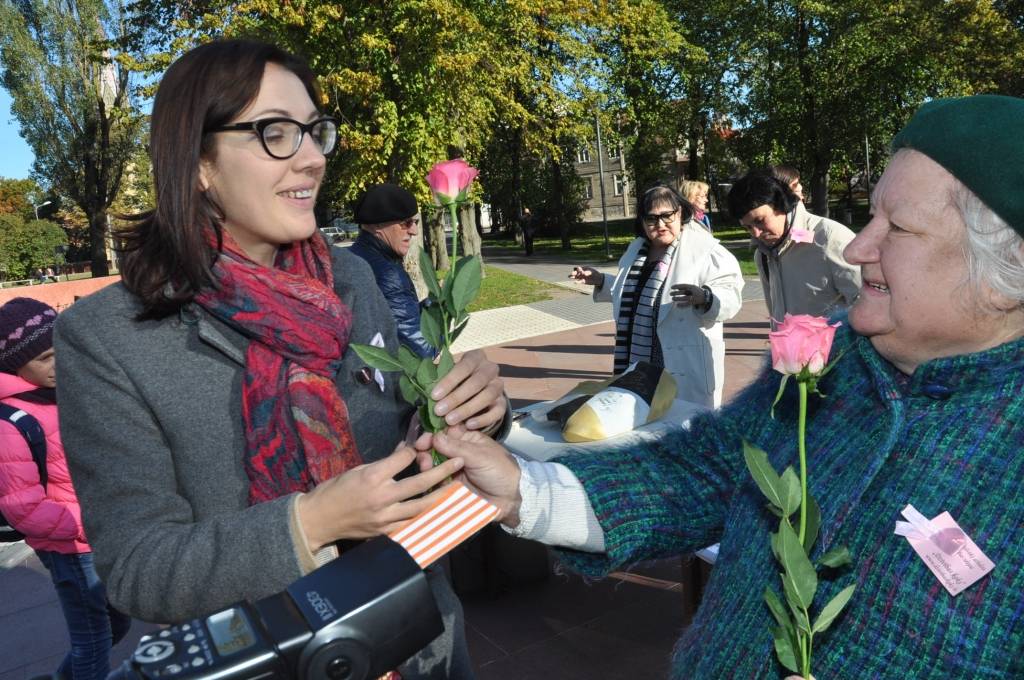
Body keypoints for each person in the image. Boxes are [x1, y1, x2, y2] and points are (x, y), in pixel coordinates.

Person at [426, 94, 1024, 678]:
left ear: (1006, 272)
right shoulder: (835, 354)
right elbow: (712, 467)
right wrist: (526, 492)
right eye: (872, 215)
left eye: (900, 228)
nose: (862, 244)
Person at [54, 40, 509, 680]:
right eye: (275, 133)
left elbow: (415, 431)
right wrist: (312, 521)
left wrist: (473, 412)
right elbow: (136, 568)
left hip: (422, 642)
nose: (313, 157)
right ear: (198, 163)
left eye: (315, 132)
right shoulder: (107, 339)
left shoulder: (349, 279)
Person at [0, 297, 131, 680]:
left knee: (116, 626)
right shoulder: (12, 421)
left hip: (99, 534)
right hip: (72, 546)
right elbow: (23, 508)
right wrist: (86, 521)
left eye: (63, 350)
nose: (60, 363)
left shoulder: (62, 393)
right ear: (14, 364)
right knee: (92, 642)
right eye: (45, 357)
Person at [569, 184, 743, 407]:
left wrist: (706, 297)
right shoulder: (637, 250)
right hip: (640, 361)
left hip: (682, 361)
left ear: (680, 212)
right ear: (642, 221)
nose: (660, 225)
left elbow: (731, 294)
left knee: (682, 427)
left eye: (667, 216)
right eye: (651, 219)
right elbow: (636, 294)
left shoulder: (706, 249)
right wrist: (601, 280)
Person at [728, 170, 861, 327]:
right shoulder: (762, 255)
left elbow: (867, 302)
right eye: (748, 227)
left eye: (760, 221)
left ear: (781, 205)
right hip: (788, 350)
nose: (756, 233)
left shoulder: (830, 238)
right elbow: (775, 317)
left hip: (837, 349)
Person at [349, 183, 435, 358]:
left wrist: (430, 304)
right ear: (378, 225)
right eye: (406, 223)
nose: (414, 231)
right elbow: (421, 351)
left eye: (415, 222)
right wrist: (443, 316)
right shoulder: (389, 275)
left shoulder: (351, 257)